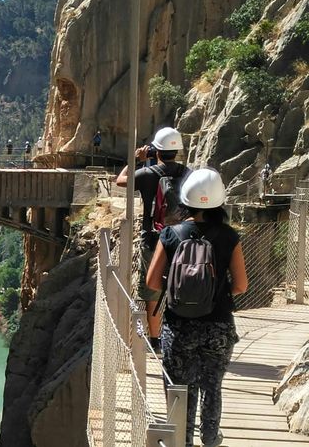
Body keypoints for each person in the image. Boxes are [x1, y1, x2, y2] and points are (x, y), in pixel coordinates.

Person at [146, 168, 247, 447]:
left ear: (185, 199)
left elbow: (152, 282)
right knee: (212, 385)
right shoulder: (229, 236)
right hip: (219, 326)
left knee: (181, 387)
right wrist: (216, 292)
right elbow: (241, 285)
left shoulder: (170, 234)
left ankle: (183, 439)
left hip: (179, 325)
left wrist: (179, 288)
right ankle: (210, 437)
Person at [116, 127, 189, 351]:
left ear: (156, 151)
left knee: (152, 289)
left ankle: (156, 340)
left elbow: (120, 181)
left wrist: (136, 160)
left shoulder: (148, 174)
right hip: (183, 238)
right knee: (182, 284)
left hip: (153, 238)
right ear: (177, 151)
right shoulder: (188, 174)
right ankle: (180, 334)